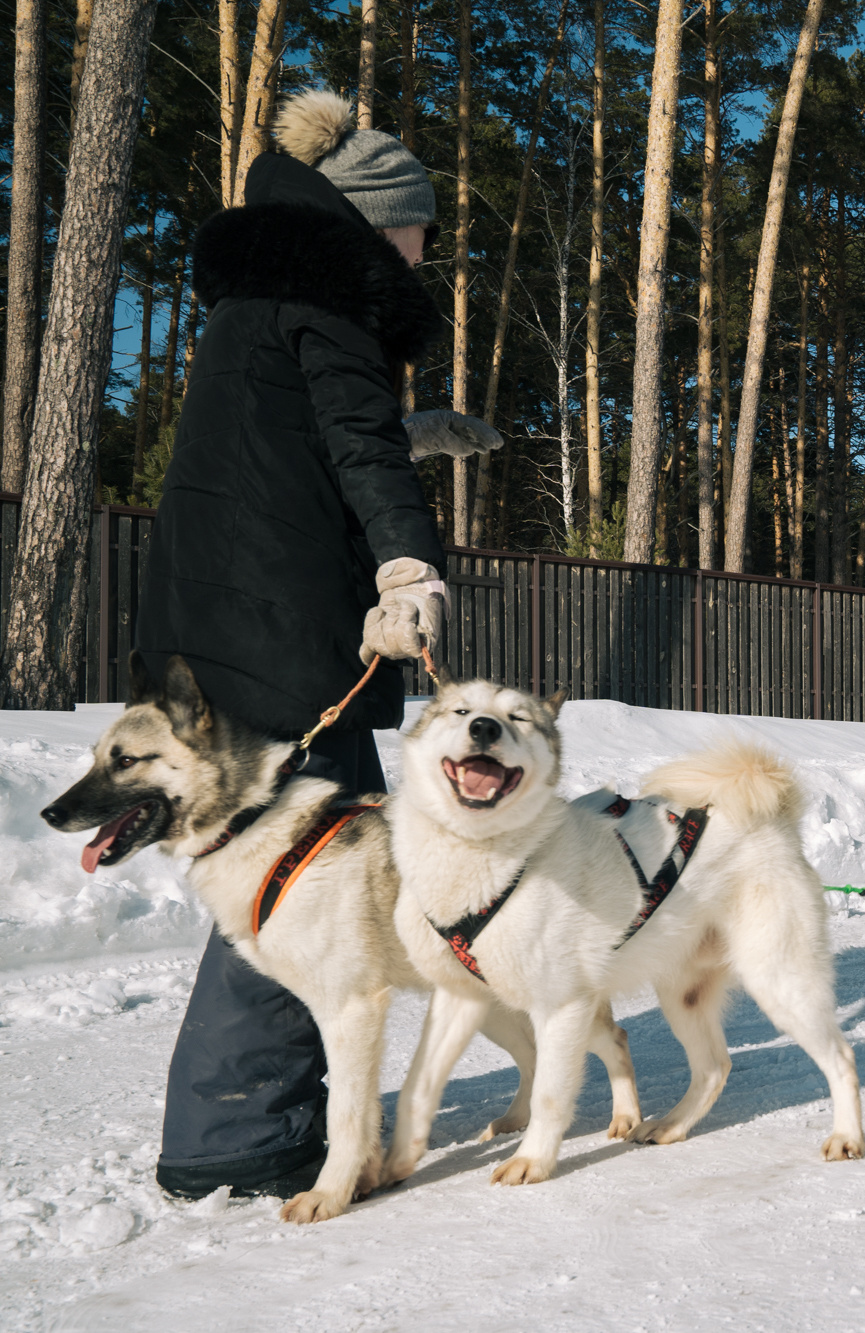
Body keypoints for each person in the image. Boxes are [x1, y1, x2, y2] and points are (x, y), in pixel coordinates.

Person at [134, 91, 491, 1200]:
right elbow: (353, 448)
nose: (426, 249)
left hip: (214, 635)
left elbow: (295, 449)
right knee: (312, 882)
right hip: (282, 639)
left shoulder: (261, 302)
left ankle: (225, 1118)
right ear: (377, 222)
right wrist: (406, 566)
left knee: (263, 871)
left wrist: (409, 433)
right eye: (419, 228)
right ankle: (249, 1132)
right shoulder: (332, 299)